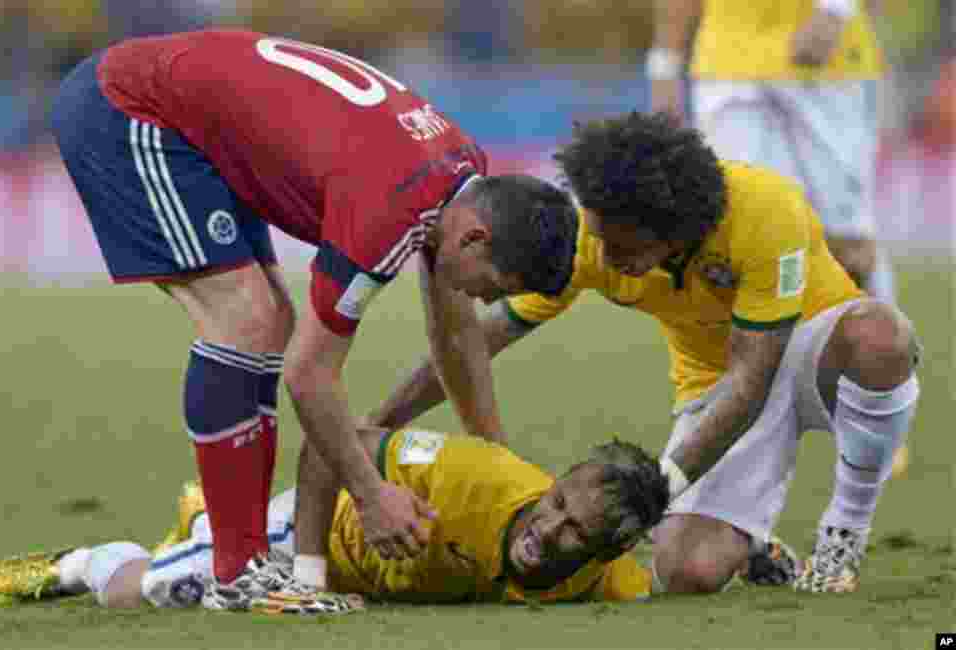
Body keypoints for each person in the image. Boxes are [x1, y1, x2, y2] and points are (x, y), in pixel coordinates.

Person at [50, 29, 579, 613]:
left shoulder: (460, 179)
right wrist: (371, 495)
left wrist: (497, 466)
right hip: (127, 106)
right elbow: (309, 376)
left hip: (192, 125)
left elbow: (455, 336)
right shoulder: (392, 207)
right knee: (248, 321)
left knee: (268, 322)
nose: (482, 301)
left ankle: (242, 559)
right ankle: (239, 572)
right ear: (475, 238)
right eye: (494, 287)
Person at [365, 113, 921, 594]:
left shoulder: (764, 210)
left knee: (883, 339)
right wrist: (376, 426)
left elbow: (756, 376)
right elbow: (480, 342)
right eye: (600, 238)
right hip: (717, 381)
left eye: (622, 244)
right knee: (686, 572)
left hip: (809, 350)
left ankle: (843, 533)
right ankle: (751, 545)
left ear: (672, 224)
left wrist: (664, 485)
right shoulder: (594, 239)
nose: (604, 255)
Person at [0, 427, 683, 611]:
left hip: (361, 589)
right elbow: (345, 441)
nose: (546, 530)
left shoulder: (613, 582)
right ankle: (75, 563)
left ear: (606, 549)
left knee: (197, 555)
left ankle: (208, 520)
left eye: (573, 533)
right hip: (310, 539)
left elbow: (666, 575)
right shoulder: (477, 473)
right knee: (142, 593)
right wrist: (364, 506)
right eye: (557, 502)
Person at [648, 0, 895, 302]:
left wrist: (835, 10)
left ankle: (884, 345)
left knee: (847, 247)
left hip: (829, 63)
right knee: (739, 234)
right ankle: (774, 344)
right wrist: (664, 63)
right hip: (727, 63)